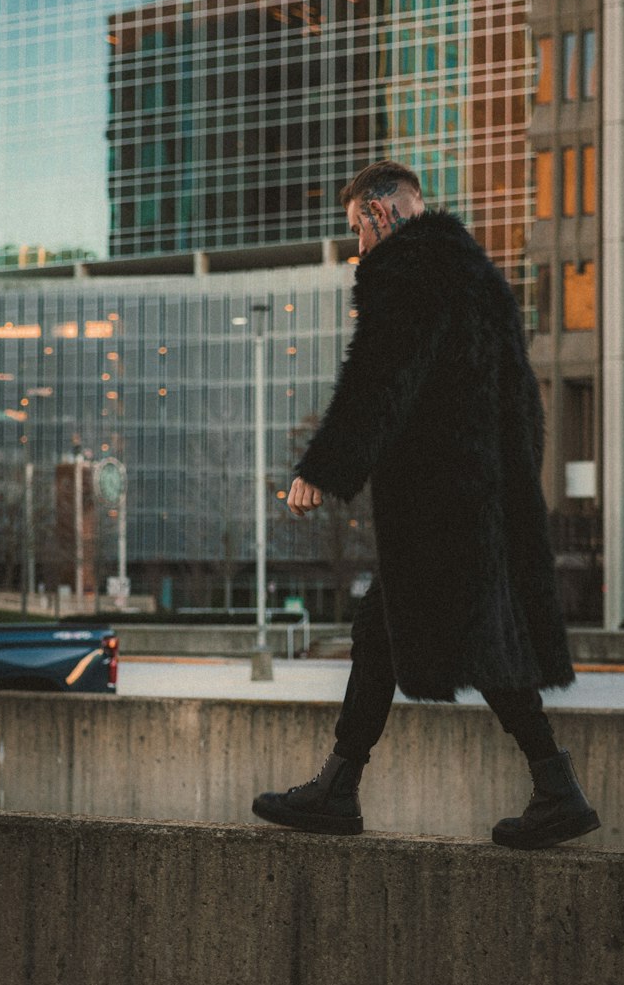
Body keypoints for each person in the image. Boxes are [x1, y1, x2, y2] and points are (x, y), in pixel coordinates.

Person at [252, 160, 598, 849]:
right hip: (478, 495)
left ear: (384, 214)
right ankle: (343, 785)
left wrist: (323, 469)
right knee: (386, 629)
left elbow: (382, 376)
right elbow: (523, 401)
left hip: (443, 498)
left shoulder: (407, 269)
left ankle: (550, 787)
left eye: (358, 229)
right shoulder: (475, 276)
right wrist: (505, 486)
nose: (358, 248)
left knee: (443, 634)